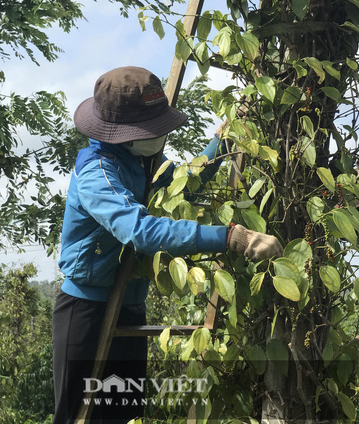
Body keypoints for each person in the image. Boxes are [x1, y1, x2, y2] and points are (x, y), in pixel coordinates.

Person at [52, 66, 282, 423]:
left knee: (123, 413)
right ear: (123, 133)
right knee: (79, 417)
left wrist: (225, 135)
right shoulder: (96, 172)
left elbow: (185, 181)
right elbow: (140, 231)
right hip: (86, 309)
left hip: (129, 308)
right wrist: (231, 236)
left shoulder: (144, 161)